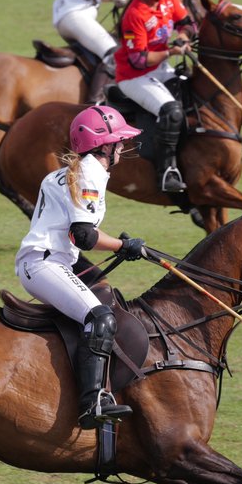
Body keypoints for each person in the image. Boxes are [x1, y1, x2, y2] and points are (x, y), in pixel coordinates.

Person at [14, 105, 147, 430]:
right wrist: (122, 245)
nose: (123, 147)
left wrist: (119, 243)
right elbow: (84, 235)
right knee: (99, 318)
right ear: (104, 146)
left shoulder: (73, 171)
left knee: (104, 296)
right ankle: (92, 402)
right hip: (44, 265)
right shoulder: (88, 174)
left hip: (48, 261)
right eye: (119, 142)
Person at [113, 0, 195, 193]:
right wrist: (171, 50)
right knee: (170, 111)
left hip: (161, 68)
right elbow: (138, 60)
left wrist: (183, 38)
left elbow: (187, 23)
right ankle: (166, 172)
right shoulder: (134, 14)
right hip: (134, 76)